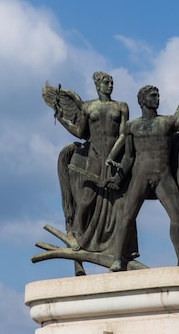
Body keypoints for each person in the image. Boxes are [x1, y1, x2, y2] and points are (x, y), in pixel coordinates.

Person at [108, 84, 179, 271]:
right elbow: (129, 157)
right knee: (126, 216)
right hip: (140, 175)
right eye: (153, 95)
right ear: (142, 100)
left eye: (158, 95)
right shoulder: (131, 126)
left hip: (163, 176)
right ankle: (116, 259)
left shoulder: (167, 122)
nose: (157, 98)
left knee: (178, 215)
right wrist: (118, 178)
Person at [54, 72, 137, 262]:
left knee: (119, 203)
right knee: (85, 200)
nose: (109, 85)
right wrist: (61, 119)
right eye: (106, 82)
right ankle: (74, 234)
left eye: (111, 82)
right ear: (97, 85)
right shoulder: (88, 106)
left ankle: (120, 247)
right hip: (94, 157)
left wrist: (113, 156)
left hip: (114, 158)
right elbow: (80, 132)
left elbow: (124, 134)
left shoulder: (121, 106)